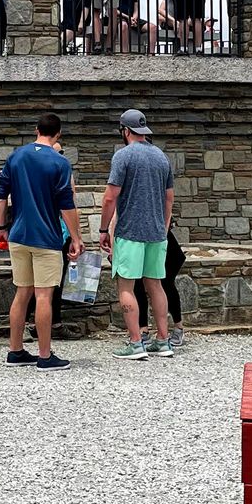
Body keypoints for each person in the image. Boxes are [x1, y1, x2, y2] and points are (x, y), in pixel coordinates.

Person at [0, 112, 82, 370]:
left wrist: (1, 228)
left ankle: (16, 351)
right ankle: (45, 355)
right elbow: (67, 205)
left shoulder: (16, 157)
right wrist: (76, 237)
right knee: (44, 295)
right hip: (46, 237)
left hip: (18, 235)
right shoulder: (59, 162)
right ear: (58, 134)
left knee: (22, 293)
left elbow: (1, 197)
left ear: (36, 129)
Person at [100, 107, 174, 360]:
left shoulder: (123, 156)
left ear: (125, 130)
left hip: (130, 231)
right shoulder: (161, 157)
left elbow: (110, 197)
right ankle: (163, 340)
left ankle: (135, 342)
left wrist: (103, 229)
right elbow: (169, 199)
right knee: (156, 285)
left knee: (126, 285)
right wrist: (163, 228)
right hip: (156, 233)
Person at [133, 224, 187, 349]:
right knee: (137, 282)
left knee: (165, 283)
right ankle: (143, 330)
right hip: (139, 236)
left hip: (159, 237)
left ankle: (178, 327)